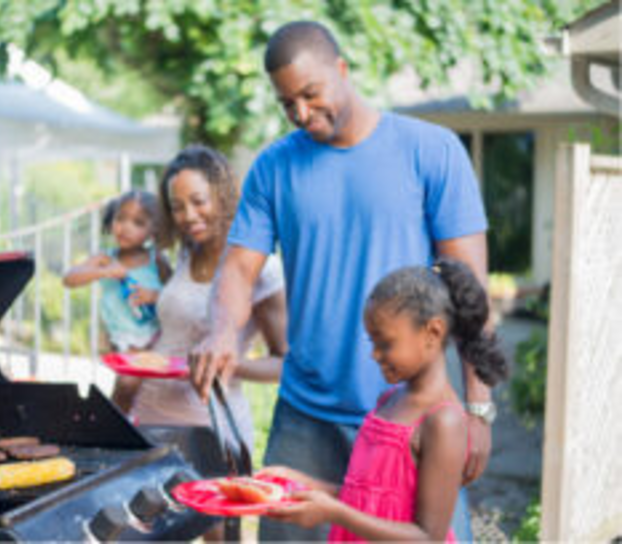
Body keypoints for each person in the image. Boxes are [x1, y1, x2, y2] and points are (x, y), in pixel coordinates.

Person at [190, 21, 494, 541]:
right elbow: (238, 269)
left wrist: (479, 408)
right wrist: (221, 332)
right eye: (288, 103)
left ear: (342, 69)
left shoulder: (432, 151)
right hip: (306, 418)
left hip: (416, 418)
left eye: (311, 94)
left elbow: (471, 291)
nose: (301, 112)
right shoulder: (273, 168)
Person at [261, 259, 508, 541]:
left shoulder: (444, 421)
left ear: (433, 332)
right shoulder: (388, 400)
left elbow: (428, 537)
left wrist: (335, 514)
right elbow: (365, 498)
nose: (375, 355)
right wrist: (301, 484)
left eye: (385, 343)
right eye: (372, 343)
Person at [129, 145, 288, 453]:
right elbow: (176, 332)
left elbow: (285, 365)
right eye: (177, 207)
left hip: (209, 426)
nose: (188, 216)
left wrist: (223, 363)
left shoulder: (263, 268)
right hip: (148, 415)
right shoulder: (187, 254)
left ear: (223, 197)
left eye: (199, 201)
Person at [63, 190, 171, 413]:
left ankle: (115, 422)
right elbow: (69, 278)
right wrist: (104, 272)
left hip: (154, 337)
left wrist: (153, 295)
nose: (125, 227)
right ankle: (117, 422)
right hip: (120, 340)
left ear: (153, 230)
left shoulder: (157, 260)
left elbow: (174, 295)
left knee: (129, 386)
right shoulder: (105, 258)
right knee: (126, 386)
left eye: (138, 222)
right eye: (120, 218)